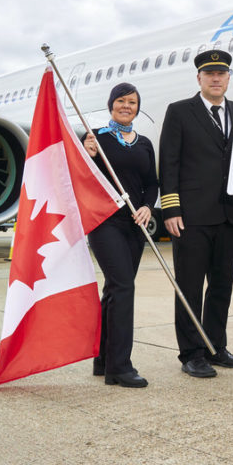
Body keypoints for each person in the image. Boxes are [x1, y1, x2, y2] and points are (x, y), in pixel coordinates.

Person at [158, 49, 233, 379]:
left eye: (222, 73)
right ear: (199, 78)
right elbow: (168, 163)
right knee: (190, 286)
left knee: (221, 286)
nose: (216, 78)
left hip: (228, 215)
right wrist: (170, 209)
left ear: (228, 78)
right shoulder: (180, 112)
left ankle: (216, 346)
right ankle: (191, 352)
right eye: (209, 74)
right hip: (192, 216)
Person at [84, 82, 158, 388]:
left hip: (134, 225)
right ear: (111, 104)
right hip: (104, 223)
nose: (126, 106)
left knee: (114, 290)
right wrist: (87, 155)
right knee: (123, 286)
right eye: (121, 101)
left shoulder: (144, 144)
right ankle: (120, 367)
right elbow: (78, 176)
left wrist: (147, 207)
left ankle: (102, 359)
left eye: (132, 102)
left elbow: (152, 183)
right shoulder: (95, 139)